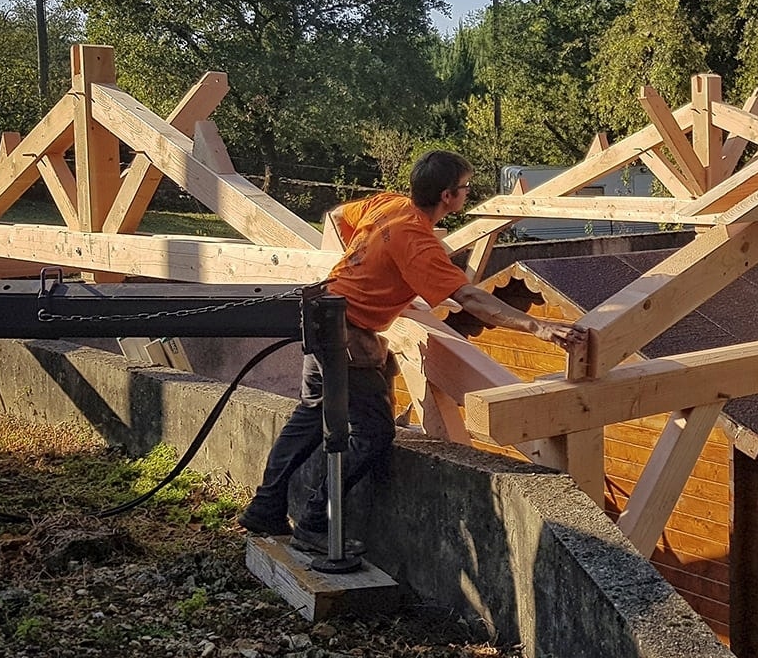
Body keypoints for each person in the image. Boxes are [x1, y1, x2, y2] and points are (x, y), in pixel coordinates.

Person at [238, 150, 586, 551]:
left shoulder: (388, 203)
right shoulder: (419, 243)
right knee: (372, 434)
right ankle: (315, 525)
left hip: (321, 311)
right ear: (447, 197)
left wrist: (375, 272)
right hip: (346, 334)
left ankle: (265, 508)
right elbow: (471, 299)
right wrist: (537, 326)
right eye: (465, 188)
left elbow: (336, 216)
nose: (468, 194)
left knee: (310, 416)